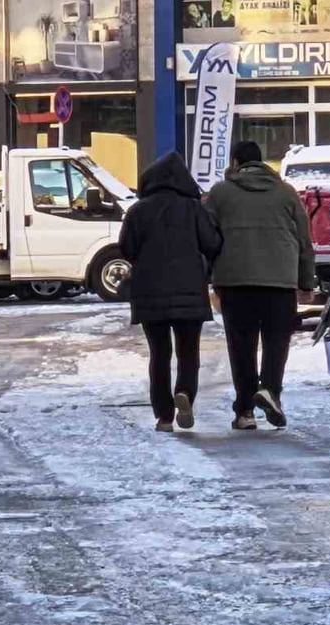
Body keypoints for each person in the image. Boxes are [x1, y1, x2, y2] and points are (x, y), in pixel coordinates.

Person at [205, 140, 316, 430]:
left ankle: (244, 413)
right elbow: (304, 240)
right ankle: (270, 390)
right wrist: (306, 279)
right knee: (276, 342)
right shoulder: (285, 193)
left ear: (235, 161)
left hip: (234, 281)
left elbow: (207, 238)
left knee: (241, 346)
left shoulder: (220, 193)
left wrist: (209, 274)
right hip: (280, 281)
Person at [119, 152, 222, 432]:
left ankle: (164, 416)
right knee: (188, 351)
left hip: (149, 293)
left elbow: (126, 249)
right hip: (189, 290)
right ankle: (185, 392)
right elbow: (212, 244)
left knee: (159, 354)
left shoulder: (138, 211)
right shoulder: (193, 208)